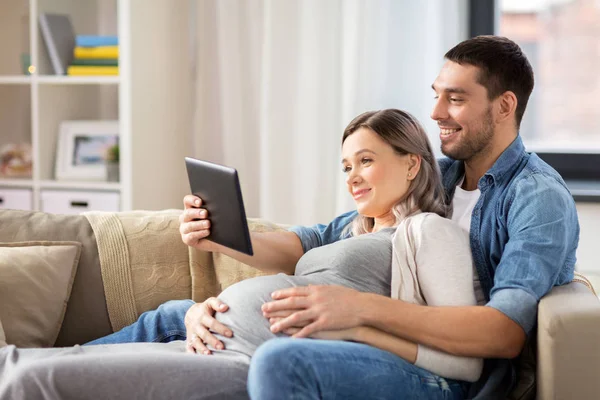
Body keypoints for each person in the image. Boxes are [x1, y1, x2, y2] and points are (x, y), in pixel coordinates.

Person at [0, 109, 481, 400]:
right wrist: (218, 236)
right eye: (346, 166)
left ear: (412, 162)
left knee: (29, 381)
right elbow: (286, 250)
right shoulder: (345, 229)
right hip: (212, 340)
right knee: (21, 368)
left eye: (367, 161)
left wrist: (355, 327)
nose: (352, 176)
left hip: (245, 359)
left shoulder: (428, 233)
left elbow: (460, 361)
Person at [245, 35, 579, 400]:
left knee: (282, 361)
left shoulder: (537, 197)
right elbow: (318, 238)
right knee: (181, 316)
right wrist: (222, 234)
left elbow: (504, 332)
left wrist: (360, 310)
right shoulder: (439, 175)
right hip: (391, 349)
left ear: (504, 106)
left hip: (456, 378)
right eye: (436, 95)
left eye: (455, 99)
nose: (436, 112)